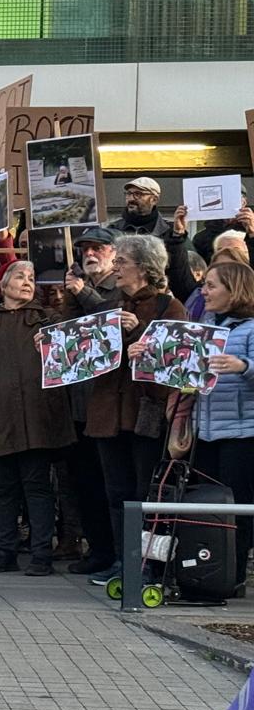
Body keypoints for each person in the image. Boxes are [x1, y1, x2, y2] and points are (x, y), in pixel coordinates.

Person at [0, 260, 75, 576]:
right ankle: (5, 550)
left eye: (32, 277)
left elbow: (67, 363)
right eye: (20, 276)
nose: (27, 281)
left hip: (37, 418)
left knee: (37, 487)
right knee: (3, 488)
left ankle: (41, 554)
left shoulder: (46, 319)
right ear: (3, 284)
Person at [84, 233, 186, 585]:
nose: (115, 269)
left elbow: (178, 366)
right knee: (115, 492)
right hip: (108, 414)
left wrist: (141, 331)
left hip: (145, 416)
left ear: (144, 267)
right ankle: (119, 559)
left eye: (122, 262)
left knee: (144, 493)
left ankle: (144, 563)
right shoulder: (114, 305)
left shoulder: (169, 307)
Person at [60, 225, 121, 574]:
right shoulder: (78, 289)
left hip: (106, 405)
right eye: (85, 249)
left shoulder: (117, 288)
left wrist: (82, 293)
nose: (90, 254)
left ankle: (116, 553)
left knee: (109, 483)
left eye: (98, 248)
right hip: (78, 404)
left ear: (113, 252)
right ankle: (97, 550)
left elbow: (108, 324)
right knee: (85, 484)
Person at [192, 260, 254, 592]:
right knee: (208, 507)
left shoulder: (251, 328)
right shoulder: (203, 326)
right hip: (205, 430)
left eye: (212, 285)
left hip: (241, 433)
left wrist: (243, 365)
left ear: (234, 289)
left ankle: (235, 575)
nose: (204, 291)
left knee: (236, 508)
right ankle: (208, 570)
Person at [109, 177, 195, 301]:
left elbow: (181, 276)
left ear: (154, 199)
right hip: (118, 301)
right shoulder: (112, 230)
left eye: (138, 194)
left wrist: (177, 236)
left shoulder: (170, 233)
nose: (131, 199)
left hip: (156, 302)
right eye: (128, 194)